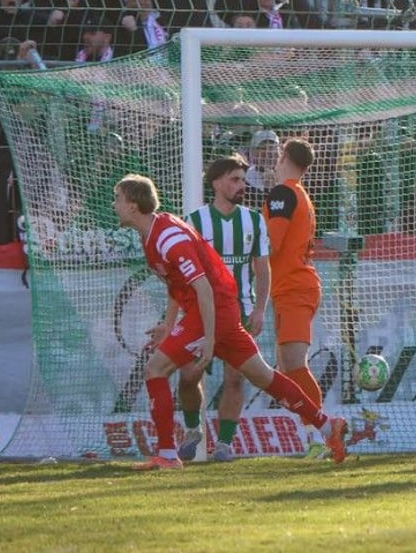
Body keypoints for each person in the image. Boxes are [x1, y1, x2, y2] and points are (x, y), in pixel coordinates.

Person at [112, 174, 347, 470]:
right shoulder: (153, 233)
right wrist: (168, 325)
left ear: (133, 205)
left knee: (154, 369)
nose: (114, 204)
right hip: (219, 310)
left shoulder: (169, 238)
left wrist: (210, 339)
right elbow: (176, 284)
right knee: (263, 376)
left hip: (211, 311)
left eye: (118, 198)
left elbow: (203, 289)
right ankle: (328, 426)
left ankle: (168, 455)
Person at [177, 155, 271, 463]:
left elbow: (262, 268)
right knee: (189, 375)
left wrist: (259, 309)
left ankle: (224, 444)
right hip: (200, 313)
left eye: (243, 179)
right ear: (216, 183)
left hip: (240, 311)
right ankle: (193, 430)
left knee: (235, 378)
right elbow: (182, 272)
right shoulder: (195, 221)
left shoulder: (254, 220)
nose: (241, 185)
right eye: (234, 179)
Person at [262, 137, 327, 458]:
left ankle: (323, 434)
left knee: (294, 365)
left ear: (284, 156)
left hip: (294, 288)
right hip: (292, 287)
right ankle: (317, 435)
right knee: (288, 368)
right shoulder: (297, 193)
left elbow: (271, 244)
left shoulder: (283, 193)